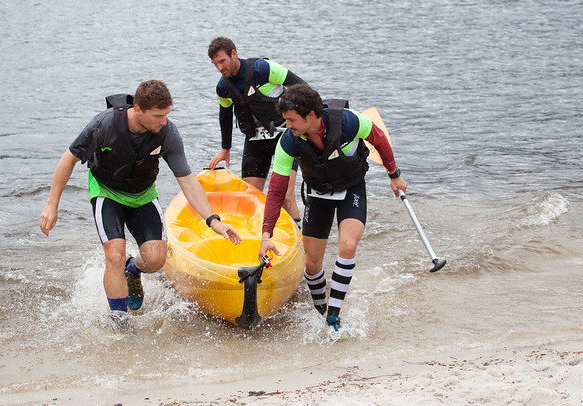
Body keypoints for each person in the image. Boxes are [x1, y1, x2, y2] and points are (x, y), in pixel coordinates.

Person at [40, 80, 241, 321]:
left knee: (156, 259)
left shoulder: (167, 133)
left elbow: (186, 179)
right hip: (107, 192)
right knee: (114, 253)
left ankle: (132, 270)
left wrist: (213, 221)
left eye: (166, 115)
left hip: (143, 194)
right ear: (137, 109)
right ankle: (120, 320)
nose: (164, 121)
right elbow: (68, 160)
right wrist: (52, 204)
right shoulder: (103, 125)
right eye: (158, 116)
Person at [257, 84, 407, 331]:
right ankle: (320, 310)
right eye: (286, 120)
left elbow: (378, 138)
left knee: (347, 246)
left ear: (312, 115)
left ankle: (334, 317)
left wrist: (394, 174)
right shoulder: (287, 142)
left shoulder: (348, 122)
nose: (288, 126)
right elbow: (276, 191)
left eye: (292, 120)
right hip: (318, 193)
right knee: (311, 265)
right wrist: (266, 235)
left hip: (351, 188)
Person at [207, 36, 305, 224]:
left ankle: (299, 243)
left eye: (222, 61)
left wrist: (303, 122)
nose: (220, 68)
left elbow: (301, 88)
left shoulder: (263, 69)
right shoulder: (223, 87)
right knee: (249, 199)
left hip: (284, 135)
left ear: (233, 54)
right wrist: (225, 148)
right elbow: (225, 115)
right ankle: (259, 240)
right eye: (215, 64)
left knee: (284, 196)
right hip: (255, 140)